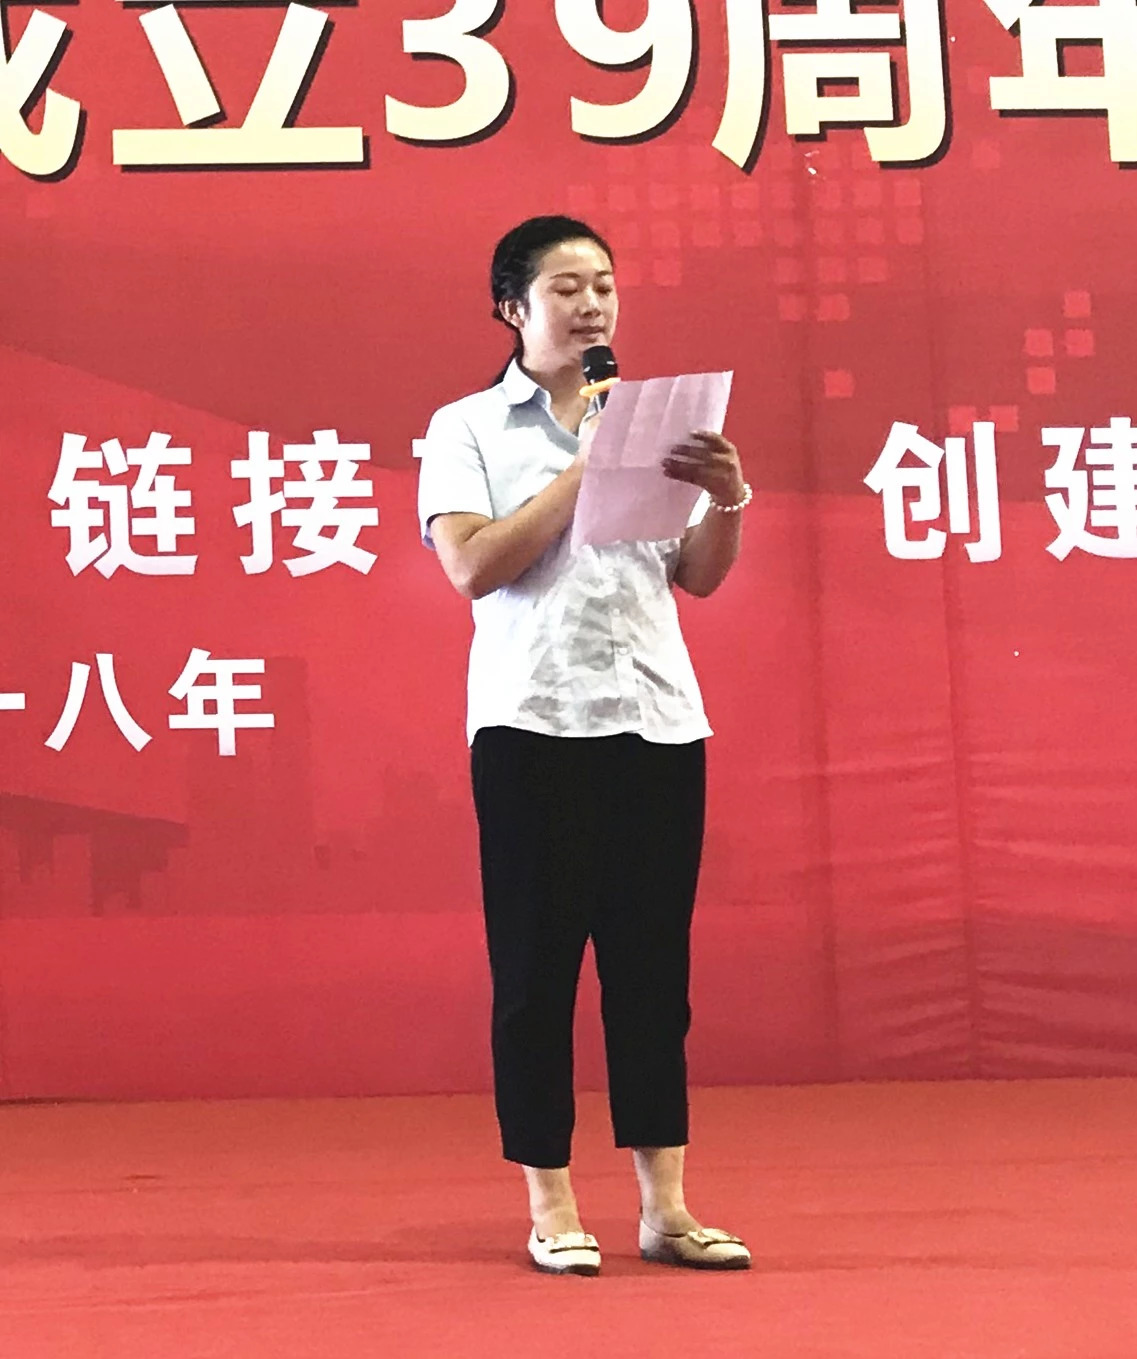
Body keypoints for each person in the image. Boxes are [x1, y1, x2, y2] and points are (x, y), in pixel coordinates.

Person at [417, 215, 753, 1276]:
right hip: (533, 726)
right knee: (536, 975)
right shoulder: (468, 427)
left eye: (604, 284)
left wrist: (725, 495)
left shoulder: (655, 419)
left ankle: (666, 1208)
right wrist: (585, 470)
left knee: (654, 977)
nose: (593, 304)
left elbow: (695, 576)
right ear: (512, 308)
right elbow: (475, 566)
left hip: (656, 721)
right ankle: (552, 1203)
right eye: (566, 288)